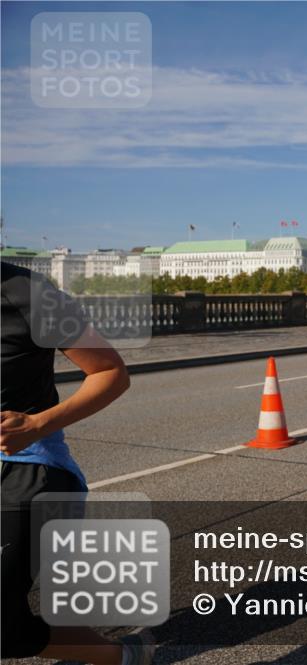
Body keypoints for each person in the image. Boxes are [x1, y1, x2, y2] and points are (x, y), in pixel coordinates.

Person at [1, 262, 151, 664]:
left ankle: (121, 656)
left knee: (4, 629)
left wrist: (36, 424)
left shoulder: (29, 294)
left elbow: (110, 372)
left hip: (23, 471)